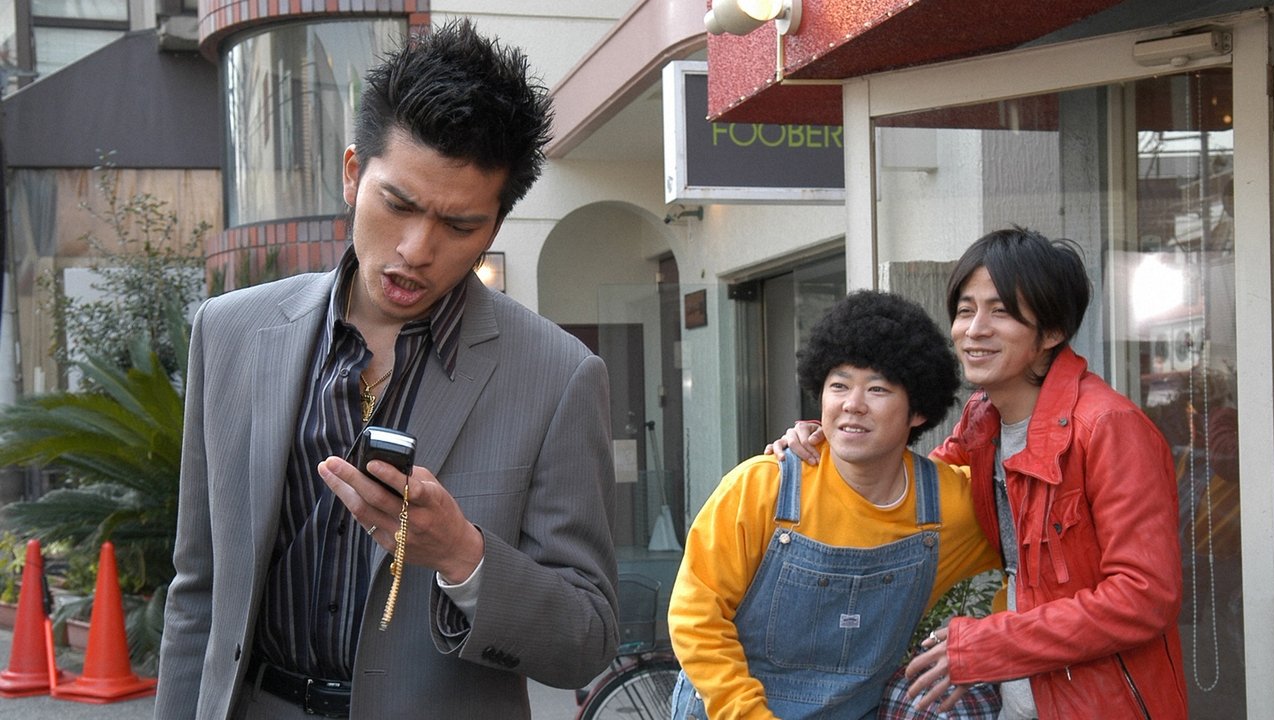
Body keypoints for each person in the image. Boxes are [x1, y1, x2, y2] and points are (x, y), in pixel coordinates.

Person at [154, 20, 618, 719]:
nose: (416, 249)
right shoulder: (230, 333)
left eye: (459, 226)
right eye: (397, 204)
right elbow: (198, 592)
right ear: (352, 173)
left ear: (495, 226)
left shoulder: (559, 376)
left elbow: (586, 639)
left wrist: (462, 555)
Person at [772, 228, 1187, 719]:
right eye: (965, 310)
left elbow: (1144, 596)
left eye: (1001, 311)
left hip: (1099, 704)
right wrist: (827, 438)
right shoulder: (983, 421)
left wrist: (985, 644)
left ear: (1051, 332)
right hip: (1022, 696)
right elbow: (906, 486)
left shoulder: (1108, 427)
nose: (974, 329)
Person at [669, 290, 1000, 719]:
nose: (852, 405)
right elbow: (696, 617)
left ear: (917, 411)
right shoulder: (762, 486)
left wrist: (985, 636)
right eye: (839, 385)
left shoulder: (949, 506)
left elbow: (1033, 561)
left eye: (877, 388)